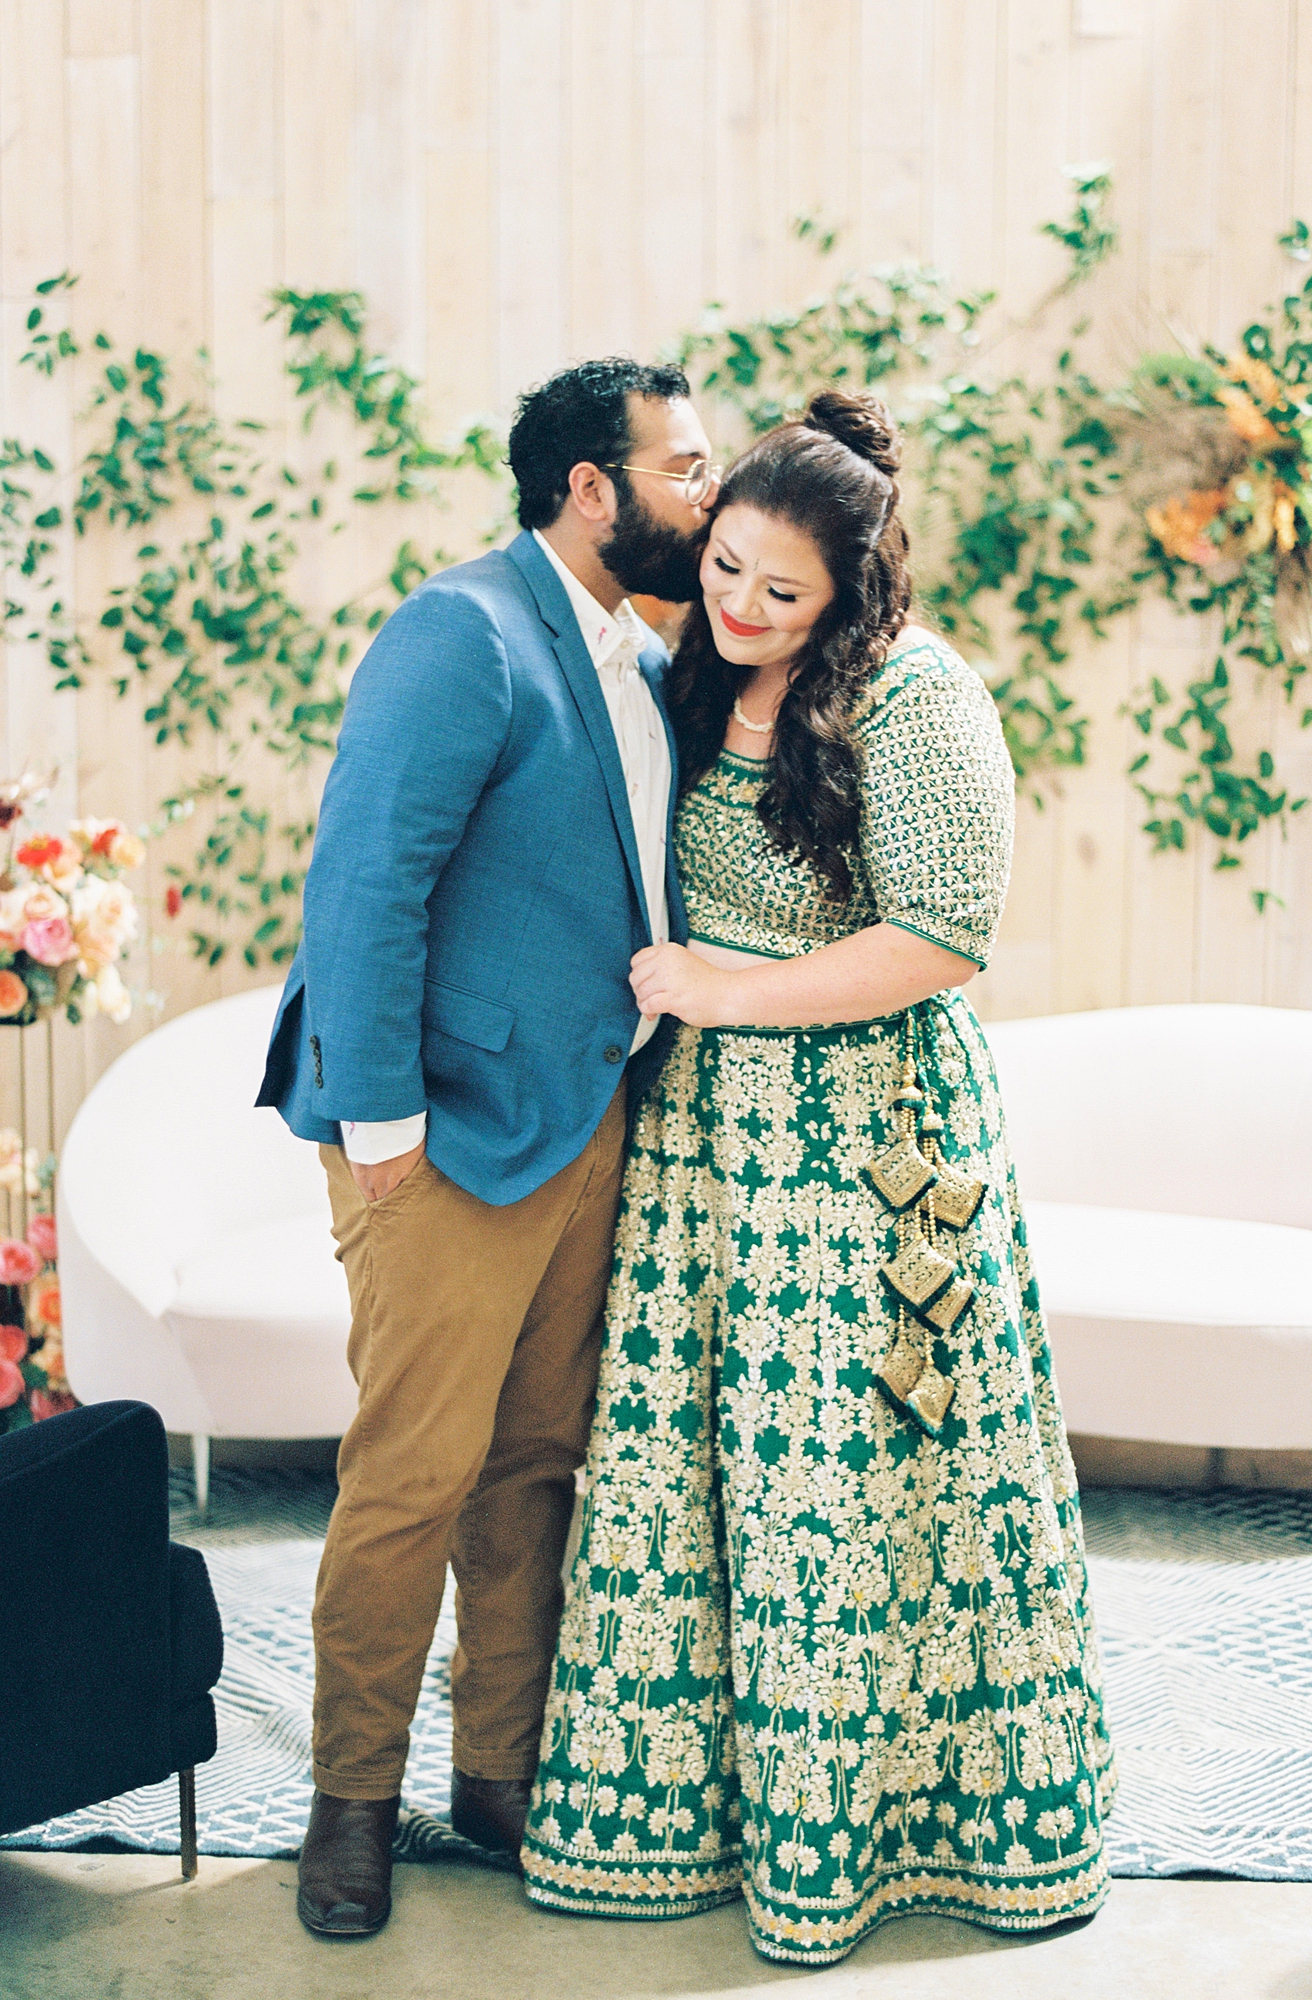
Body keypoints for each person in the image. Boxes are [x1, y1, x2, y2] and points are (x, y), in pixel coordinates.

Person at [520, 390, 1115, 1966]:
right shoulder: (684, 672)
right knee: (694, 1481)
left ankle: (886, 1843)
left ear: (854, 592)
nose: (737, 608)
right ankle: (692, 1829)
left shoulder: (920, 699)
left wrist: (722, 989)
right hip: (708, 1148)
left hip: (867, 1146)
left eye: (781, 594)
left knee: (854, 1489)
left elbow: (938, 938)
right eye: (722, 570)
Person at [256, 356, 717, 1938]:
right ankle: (350, 1801)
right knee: (412, 1473)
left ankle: (498, 1779)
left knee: (530, 1469)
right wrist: (383, 1124)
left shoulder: (642, 655)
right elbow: (366, 882)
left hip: (587, 1120)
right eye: (684, 469)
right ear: (589, 489)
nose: (705, 498)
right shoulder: (460, 631)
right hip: (441, 1131)